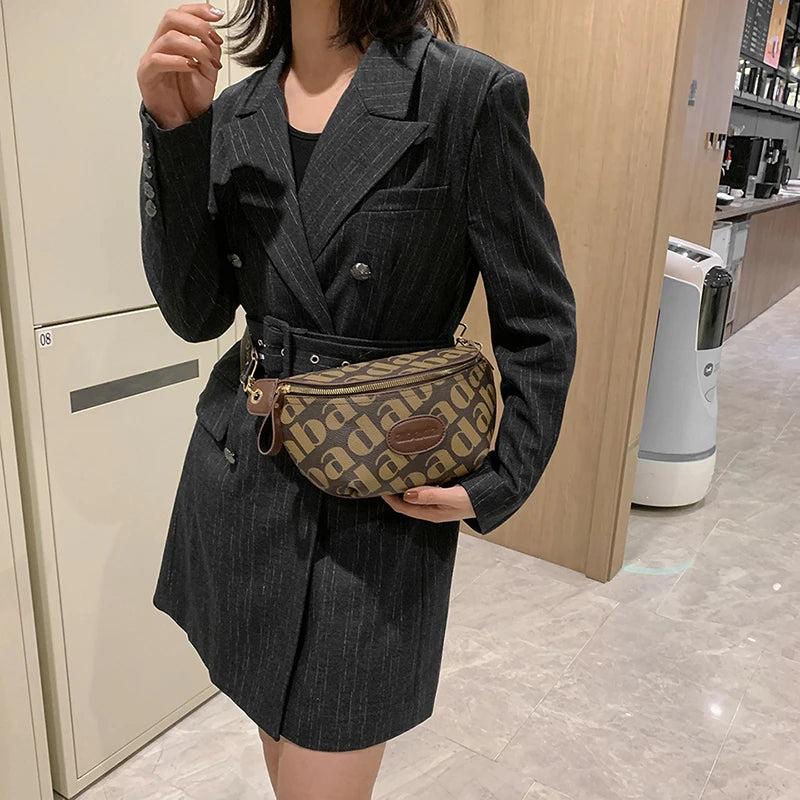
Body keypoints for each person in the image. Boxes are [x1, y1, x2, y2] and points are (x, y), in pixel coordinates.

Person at [135, 1, 577, 798]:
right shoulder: (237, 109)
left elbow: (537, 319)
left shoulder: (465, 95)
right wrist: (177, 131)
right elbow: (197, 313)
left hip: (376, 505)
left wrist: (500, 478)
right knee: (281, 753)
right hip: (246, 482)